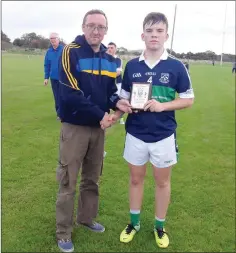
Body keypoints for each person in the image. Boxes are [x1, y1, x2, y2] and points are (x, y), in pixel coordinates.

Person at [110, 12, 194, 248]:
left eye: (159, 31)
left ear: (166, 35)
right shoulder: (132, 65)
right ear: (142, 35)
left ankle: (159, 226)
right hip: (135, 133)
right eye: (150, 31)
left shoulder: (176, 66)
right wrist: (116, 115)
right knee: (136, 180)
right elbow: (124, 98)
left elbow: (188, 99)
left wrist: (162, 106)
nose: (154, 35)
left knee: (162, 182)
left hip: (164, 135)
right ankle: (134, 223)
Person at [56, 9, 131, 253]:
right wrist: (101, 115)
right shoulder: (71, 52)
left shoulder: (110, 61)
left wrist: (117, 103)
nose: (96, 31)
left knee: (92, 178)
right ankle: (63, 231)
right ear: (83, 26)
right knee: (68, 180)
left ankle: (86, 218)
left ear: (106, 30)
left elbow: (109, 90)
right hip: (75, 127)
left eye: (101, 27)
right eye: (91, 26)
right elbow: (70, 94)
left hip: (98, 130)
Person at [44, 32, 64, 119]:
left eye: (54, 39)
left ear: (58, 39)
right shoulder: (49, 52)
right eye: (51, 39)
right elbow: (47, 65)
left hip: (63, 78)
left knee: (63, 96)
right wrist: (46, 77)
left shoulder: (64, 50)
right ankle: (59, 114)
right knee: (56, 96)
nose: (52, 41)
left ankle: (63, 113)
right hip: (53, 78)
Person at [107, 42, 125, 124]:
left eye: (112, 48)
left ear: (115, 49)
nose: (110, 49)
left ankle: (120, 118)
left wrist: (106, 75)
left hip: (117, 83)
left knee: (118, 100)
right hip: (106, 84)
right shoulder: (104, 58)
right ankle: (106, 117)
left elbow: (118, 72)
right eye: (109, 48)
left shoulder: (118, 60)